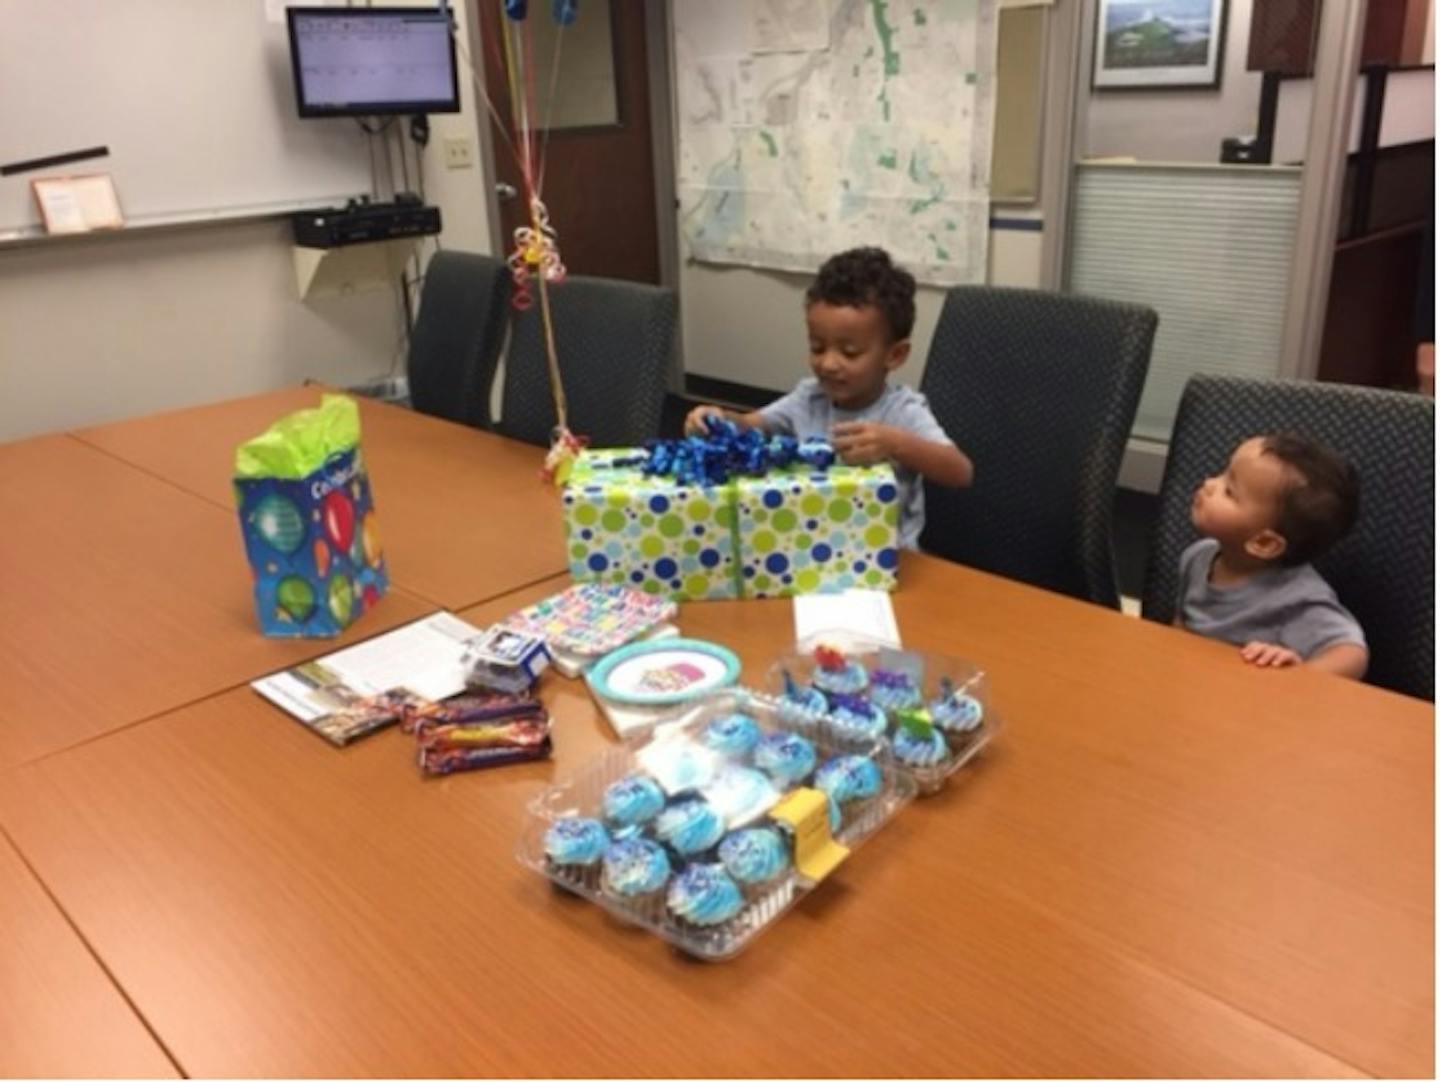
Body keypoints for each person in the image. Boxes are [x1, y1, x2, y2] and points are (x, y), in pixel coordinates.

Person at [684, 246, 972, 549]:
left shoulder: (902, 411)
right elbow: (749, 423)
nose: (828, 364)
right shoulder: (808, 398)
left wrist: (896, 444)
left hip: (885, 558)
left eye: (849, 353)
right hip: (808, 548)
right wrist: (716, 419)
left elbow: (960, 471)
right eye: (817, 347)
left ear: (895, 355)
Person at [1177, 433, 1367, 678]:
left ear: (1264, 542)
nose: (1210, 483)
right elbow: (1180, 627)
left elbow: (1352, 654)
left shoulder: (1296, 598)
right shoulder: (1197, 557)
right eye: (1223, 473)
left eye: (1229, 491)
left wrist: (1296, 676)